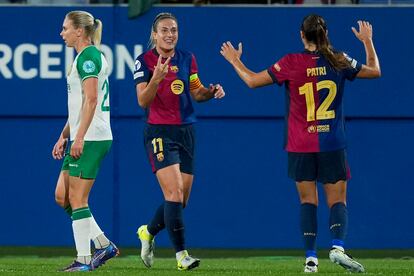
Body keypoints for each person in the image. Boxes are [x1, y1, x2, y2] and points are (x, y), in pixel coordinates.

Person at [220, 14, 380, 273]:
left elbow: (251, 81)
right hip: (332, 143)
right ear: (325, 34)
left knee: (308, 202)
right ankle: (338, 247)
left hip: (300, 144)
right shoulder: (339, 59)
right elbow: (375, 71)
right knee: (337, 201)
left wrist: (235, 60)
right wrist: (367, 41)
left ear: (301, 35)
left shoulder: (291, 63)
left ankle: (310, 259)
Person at [133, 12, 225, 271]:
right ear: (154, 34)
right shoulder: (144, 61)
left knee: (180, 199)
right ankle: (182, 255)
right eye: (164, 30)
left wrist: (210, 91)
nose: (170, 34)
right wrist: (157, 78)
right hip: (159, 131)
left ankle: (148, 232)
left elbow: (196, 91)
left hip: (186, 131)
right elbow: (142, 100)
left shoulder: (187, 58)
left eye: (173, 30)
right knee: (173, 193)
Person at [52, 10, 119, 272]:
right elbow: (80, 106)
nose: (62, 33)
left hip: (92, 137)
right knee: (63, 197)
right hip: (82, 135)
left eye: (65, 28)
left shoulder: (89, 56)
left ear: (80, 31)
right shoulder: (83, 57)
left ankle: (83, 260)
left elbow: (91, 100)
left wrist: (78, 137)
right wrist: (64, 135)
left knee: (78, 200)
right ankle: (104, 245)